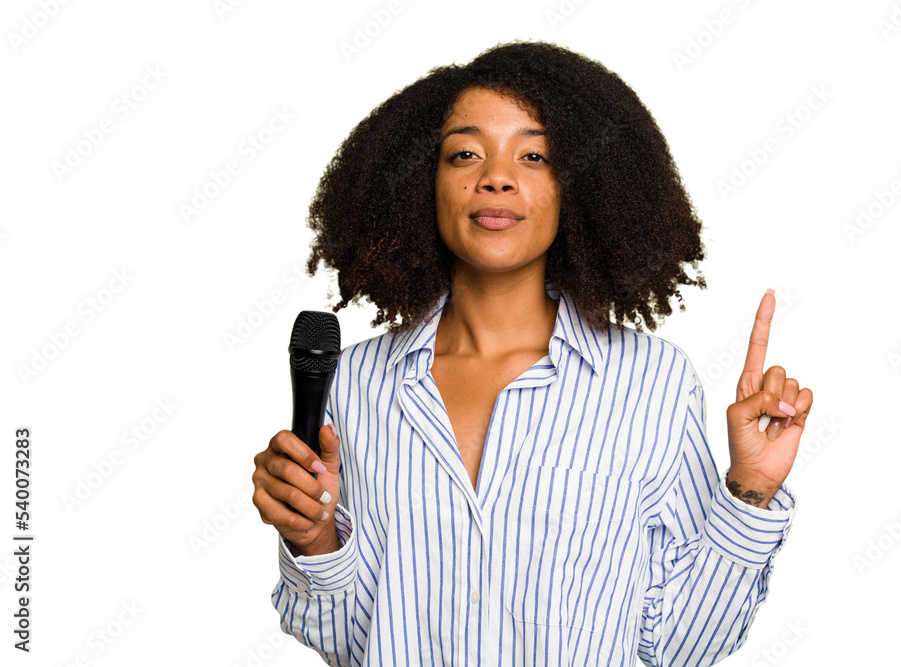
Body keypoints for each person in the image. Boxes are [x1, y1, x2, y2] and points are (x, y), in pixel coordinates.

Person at [251, 40, 813, 666]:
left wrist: (751, 489)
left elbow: (680, 648)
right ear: (421, 183)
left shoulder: (652, 382)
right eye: (465, 153)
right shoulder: (355, 383)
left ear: (579, 186)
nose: (496, 176)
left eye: (534, 155)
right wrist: (314, 538)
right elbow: (354, 643)